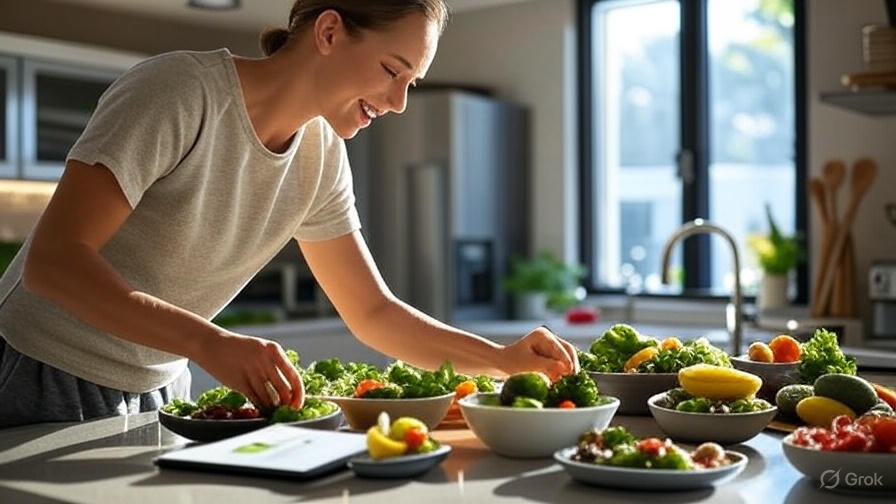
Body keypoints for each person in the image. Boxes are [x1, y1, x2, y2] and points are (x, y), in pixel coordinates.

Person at [0, 0, 578, 428]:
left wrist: (500, 360)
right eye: (391, 70)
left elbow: (373, 311)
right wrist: (211, 343)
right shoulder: (180, 92)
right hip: (39, 370)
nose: (400, 102)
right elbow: (53, 263)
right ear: (329, 31)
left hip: (160, 389)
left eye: (412, 82)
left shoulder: (322, 155)